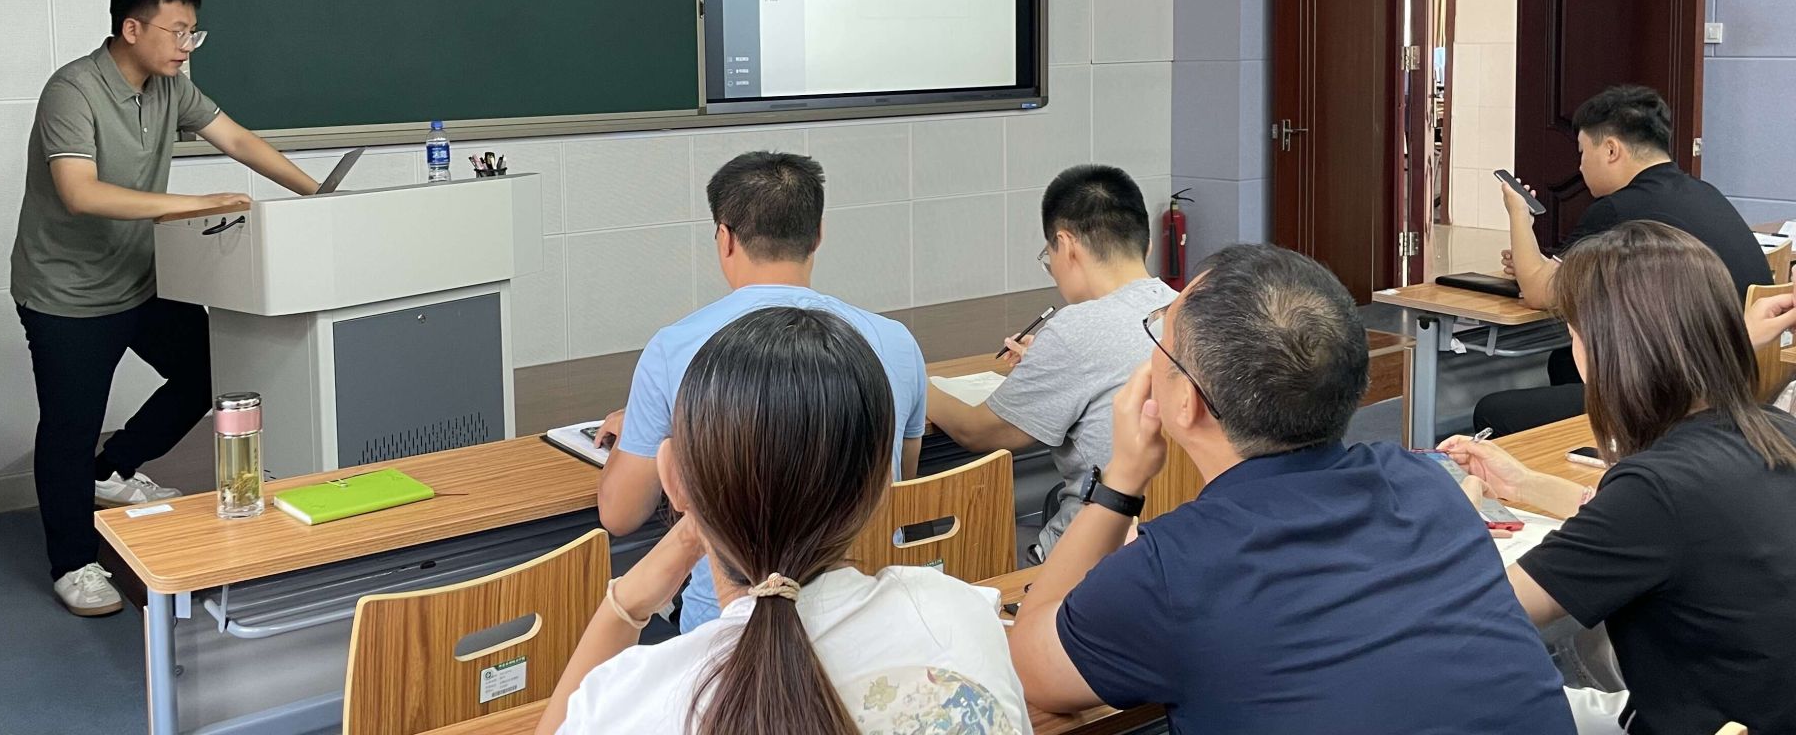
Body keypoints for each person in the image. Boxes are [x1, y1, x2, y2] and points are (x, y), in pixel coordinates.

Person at [1008, 244, 1574, 735]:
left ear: (1186, 402)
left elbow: (1031, 667)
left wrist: (1121, 483)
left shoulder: (1172, 569)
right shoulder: (1426, 485)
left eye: (1162, 333)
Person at [538, 307, 1028, 735]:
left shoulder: (630, 699)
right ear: (883, 484)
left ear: (673, 479)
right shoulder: (961, 617)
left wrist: (625, 603)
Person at [12, 0, 320, 616]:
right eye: (177, 31)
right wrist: (195, 204)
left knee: (211, 370)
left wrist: (319, 195)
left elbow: (236, 139)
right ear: (132, 29)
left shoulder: (169, 87)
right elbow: (80, 192)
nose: (187, 46)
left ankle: (113, 470)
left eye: (193, 33)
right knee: (69, 429)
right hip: (67, 293)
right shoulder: (72, 91)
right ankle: (73, 563)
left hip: (141, 277)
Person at [1444, 222, 1796, 735]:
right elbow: (1659, 529)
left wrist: (1454, 520)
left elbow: (1476, 613)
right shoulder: (1775, 431)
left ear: (1606, 349)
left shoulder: (1655, 491)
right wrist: (1522, 486)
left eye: (1573, 336)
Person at [594, 152, 926, 633]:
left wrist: (646, 426)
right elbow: (898, 482)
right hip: (867, 618)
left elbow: (620, 514)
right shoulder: (895, 341)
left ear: (724, 238)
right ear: (817, 234)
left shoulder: (675, 347)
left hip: (725, 626)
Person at [1479, 85, 1770, 434]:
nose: (1580, 166)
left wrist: (1517, 213)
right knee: (1564, 363)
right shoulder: (1703, 192)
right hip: (1739, 378)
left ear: (1611, 150)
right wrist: (1541, 265)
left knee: (1493, 411)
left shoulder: (1618, 209)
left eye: (1583, 152)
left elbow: (1539, 294)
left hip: (1680, 396)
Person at [924, 165, 1174, 560]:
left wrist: (919, 383)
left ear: (1066, 244)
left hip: (1090, 558)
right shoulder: (1188, 311)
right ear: (1146, 247)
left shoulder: (1077, 328)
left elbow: (978, 432)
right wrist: (1046, 360)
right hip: (1167, 542)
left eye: (1049, 256)